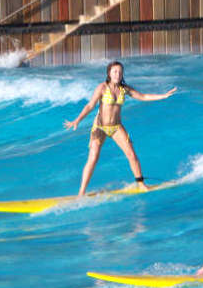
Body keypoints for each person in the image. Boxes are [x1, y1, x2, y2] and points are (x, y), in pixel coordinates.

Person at [64, 61, 177, 197]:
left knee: (132, 154)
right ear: (109, 73)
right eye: (114, 71)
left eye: (119, 71)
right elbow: (90, 105)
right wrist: (78, 120)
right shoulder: (102, 88)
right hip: (100, 127)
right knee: (93, 158)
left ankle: (141, 184)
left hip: (116, 127)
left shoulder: (124, 89)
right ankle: (81, 192)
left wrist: (163, 96)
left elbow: (143, 96)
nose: (117, 74)